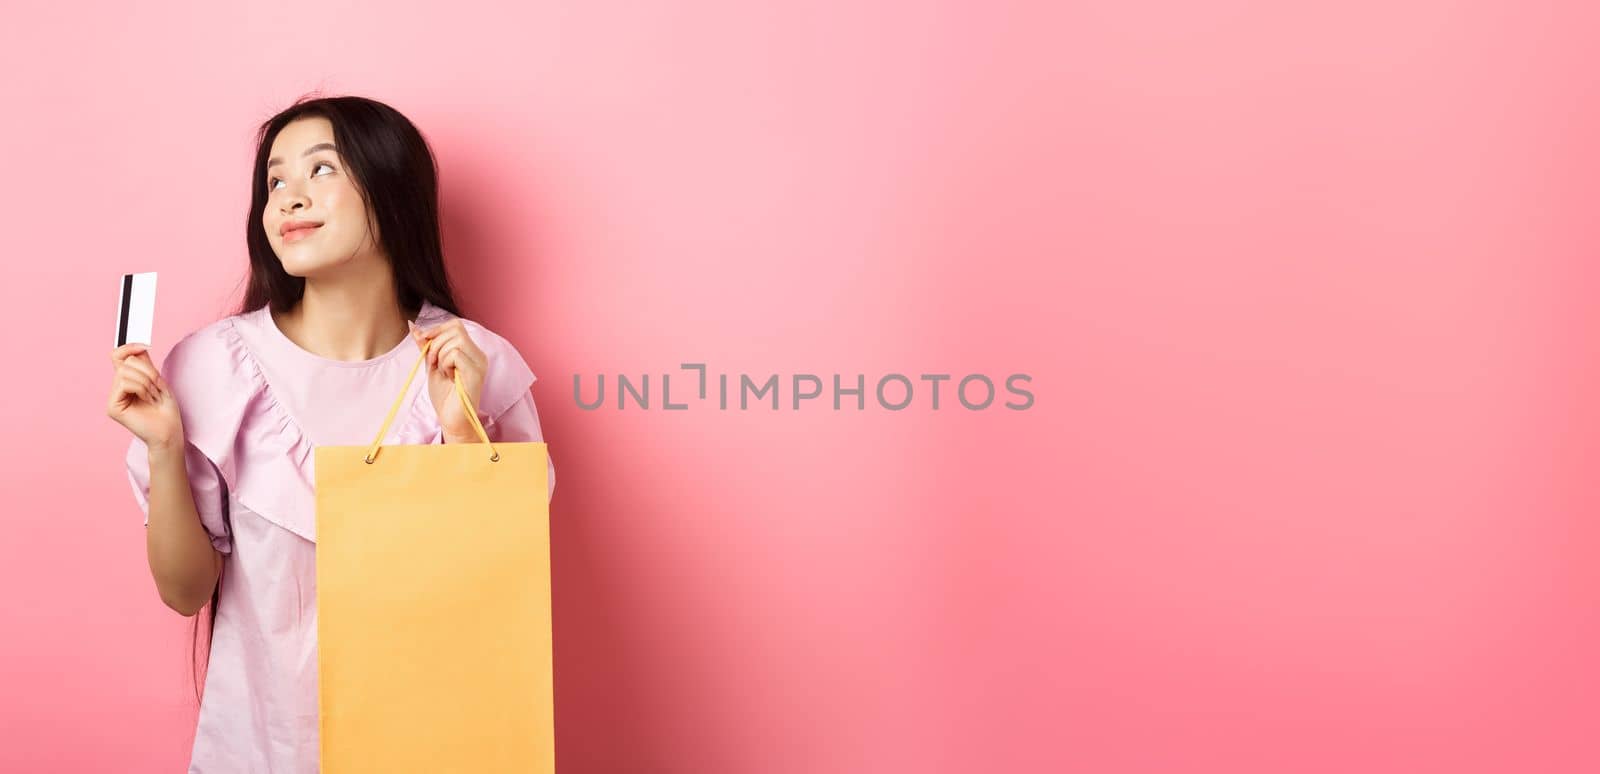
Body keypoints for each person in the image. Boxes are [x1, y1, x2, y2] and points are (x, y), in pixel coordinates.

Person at [104, 94, 556, 772]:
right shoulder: (210, 368)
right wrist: (166, 448)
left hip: (437, 748)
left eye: (321, 170)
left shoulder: (473, 363)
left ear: (391, 190)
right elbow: (185, 592)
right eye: (274, 181)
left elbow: (496, 585)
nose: (288, 197)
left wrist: (462, 433)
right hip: (261, 752)